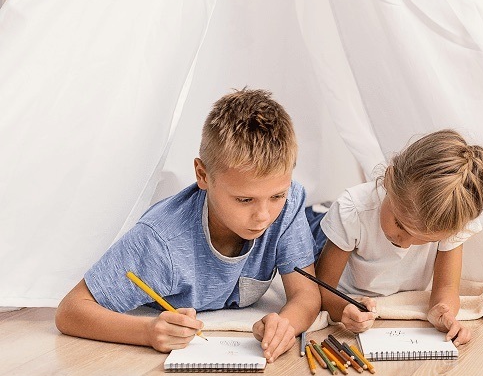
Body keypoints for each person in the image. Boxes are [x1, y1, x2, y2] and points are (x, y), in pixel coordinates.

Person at [55, 88, 320, 362]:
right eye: (244, 199)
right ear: (202, 175)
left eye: (276, 196)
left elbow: (306, 294)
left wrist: (285, 325)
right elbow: (70, 311)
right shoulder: (160, 240)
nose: (264, 216)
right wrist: (146, 332)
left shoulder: (289, 203)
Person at [311, 129, 483, 345]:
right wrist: (343, 307)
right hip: (324, 232)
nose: (404, 242)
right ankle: (318, 209)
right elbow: (321, 288)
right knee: (310, 226)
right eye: (400, 224)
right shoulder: (353, 210)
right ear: (389, 179)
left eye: (424, 240)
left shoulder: (450, 223)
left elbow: (446, 289)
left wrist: (445, 314)